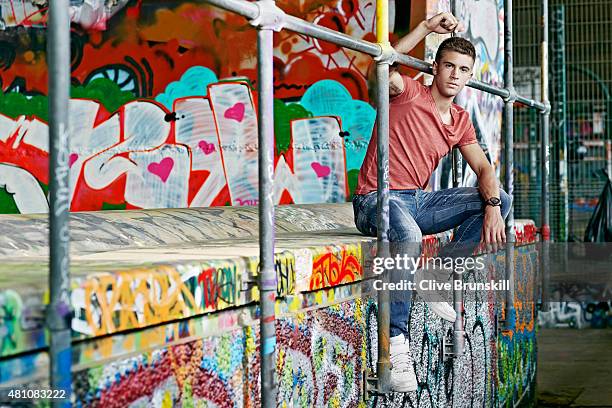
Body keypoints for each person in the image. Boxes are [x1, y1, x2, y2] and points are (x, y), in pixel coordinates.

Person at [353, 12, 512, 392]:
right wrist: (425, 28)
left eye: (464, 70)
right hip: (377, 198)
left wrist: (490, 206)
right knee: (406, 234)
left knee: (500, 198)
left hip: (417, 201)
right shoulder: (408, 91)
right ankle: (396, 341)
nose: (456, 75)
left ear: (469, 76)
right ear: (435, 68)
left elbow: (485, 170)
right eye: (449, 66)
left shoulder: (459, 119)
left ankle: (436, 274)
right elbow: (378, 64)